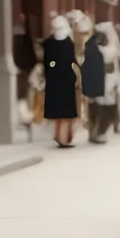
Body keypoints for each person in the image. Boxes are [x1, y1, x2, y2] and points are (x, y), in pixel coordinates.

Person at [42, 14, 81, 146]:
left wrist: (52, 69)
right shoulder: (68, 43)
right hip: (66, 81)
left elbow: (47, 62)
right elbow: (72, 61)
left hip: (54, 81)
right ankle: (64, 138)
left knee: (59, 112)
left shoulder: (49, 43)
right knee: (66, 112)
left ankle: (58, 135)